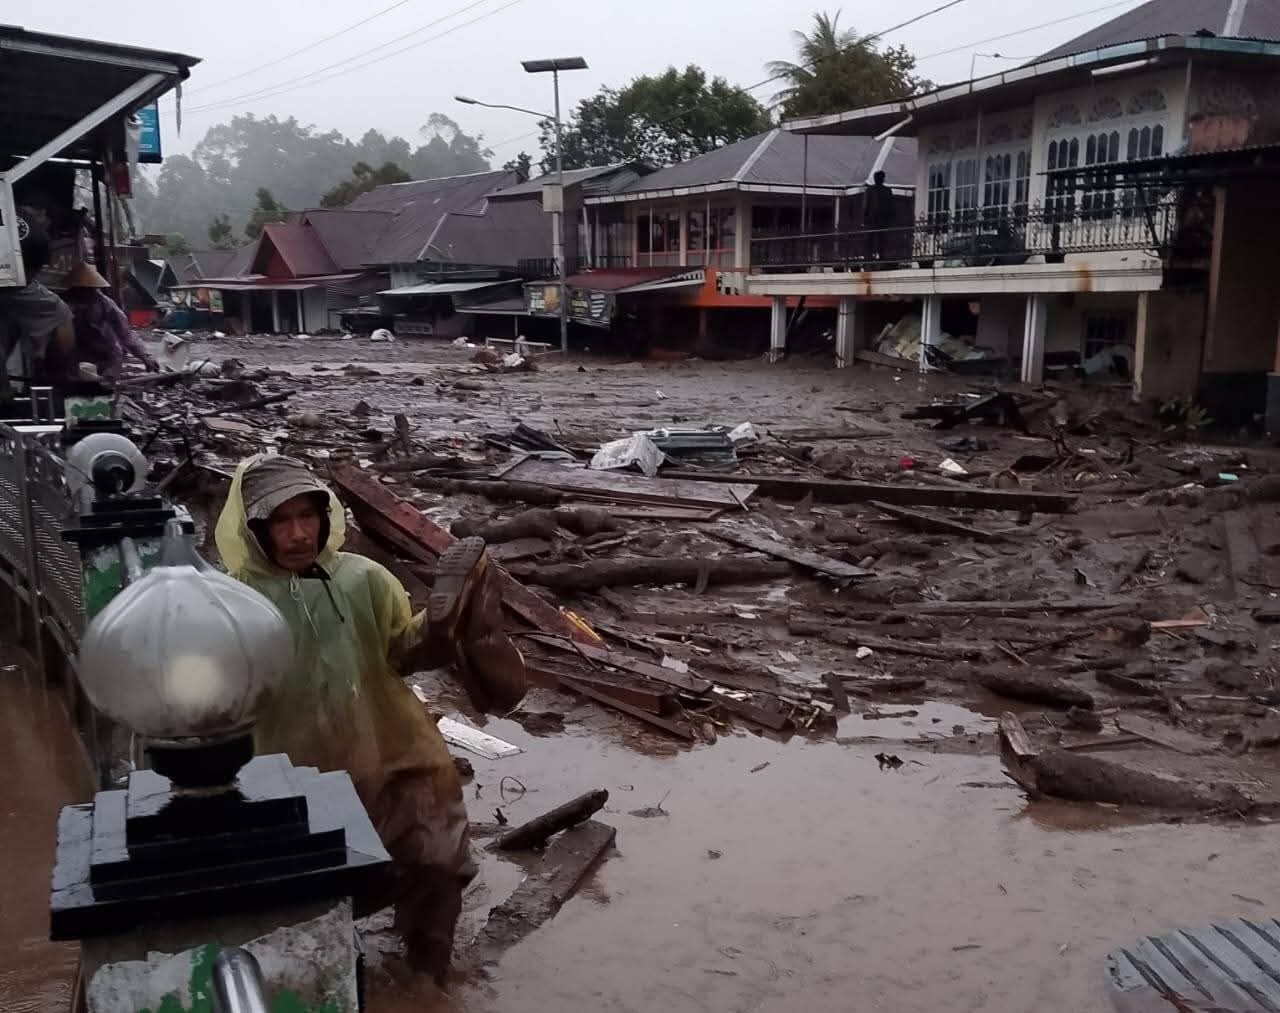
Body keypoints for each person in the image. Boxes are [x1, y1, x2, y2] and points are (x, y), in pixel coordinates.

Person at [215, 454, 527, 981]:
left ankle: (427, 982)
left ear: (325, 516)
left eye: (306, 516)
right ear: (252, 530)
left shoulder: (364, 579)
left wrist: (441, 629)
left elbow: (401, 652)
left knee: (438, 861)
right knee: (314, 896)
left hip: (394, 750)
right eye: (280, 521)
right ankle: (339, 976)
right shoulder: (232, 603)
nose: (297, 533)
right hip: (294, 771)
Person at [0, 216, 76, 399]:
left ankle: (65, 379)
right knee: (60, 312)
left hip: (13, 281)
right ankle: (66, 380)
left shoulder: (25, 224)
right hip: (12, 280)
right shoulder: (26, 225)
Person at [60, 262, 158, 381]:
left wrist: (144, 357)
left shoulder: (104, 303)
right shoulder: (61, 303)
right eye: (81, 289)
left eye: (89, 289)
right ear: (74, 288)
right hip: (77, 354)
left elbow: (125, 332)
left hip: (107, 353)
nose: (86, 293)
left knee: (107, 385)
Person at [863, 170, 895, 263]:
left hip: (878, 220)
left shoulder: (881, 190)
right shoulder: (881, 190)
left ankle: (875, 258)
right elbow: (891, 206)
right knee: (876, 240)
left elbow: (890, 206)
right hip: (876, 220)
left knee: (878, 240)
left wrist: (865, 218)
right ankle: (874, 258)